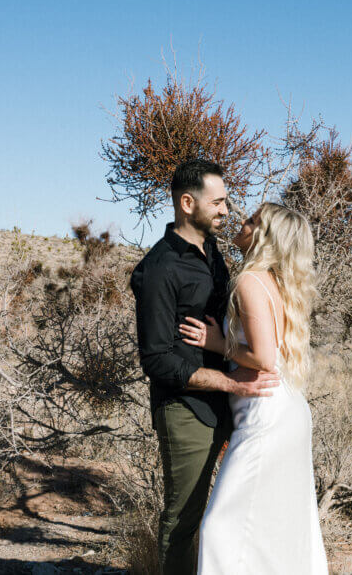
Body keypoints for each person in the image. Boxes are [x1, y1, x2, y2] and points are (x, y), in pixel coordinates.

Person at [130, 159, 281, 575]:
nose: (226, 210)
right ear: (186, 203)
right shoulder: (158, 270)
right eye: (217, 202)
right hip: (186, 409)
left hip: (229, 404)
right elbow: (157, 359)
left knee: (231, 511)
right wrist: (231, 383)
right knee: (184, 519)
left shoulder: (212, 253)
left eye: (227, 202)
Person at [179, 202, 329, 574]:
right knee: (281, 525)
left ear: (265, 237)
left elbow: (262, 357)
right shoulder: (279, 284)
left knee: (222, 525)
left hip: (266, 411)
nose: (241, 223)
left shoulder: (250, 281)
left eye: (252, 221)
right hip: (286, 407)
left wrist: (217, 343)